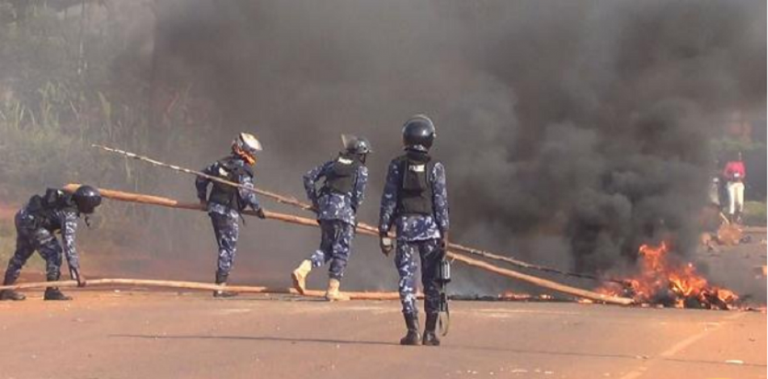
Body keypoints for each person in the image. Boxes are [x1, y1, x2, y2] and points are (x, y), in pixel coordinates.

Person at [378, 114, 449, 346]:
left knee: (407, 280)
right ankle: (430, 333)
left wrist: (384, 231)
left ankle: (412, 332)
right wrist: (445, 233)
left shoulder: (397, 165)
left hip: (405, 230)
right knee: (432, 281)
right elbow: (441, 202)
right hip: (431, 230)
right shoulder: (436, 167)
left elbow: (389, 200)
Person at [291, 135, 371, 301]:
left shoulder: (333, 164)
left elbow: (308, 177)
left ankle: (303, 269)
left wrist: (315, 202)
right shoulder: (361, 170)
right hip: (343, 213)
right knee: (342, 249)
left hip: (325, 210)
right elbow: (358, 196)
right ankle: (333, 290)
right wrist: (352, 212)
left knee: (326, 248)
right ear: (362, 154)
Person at [0, 185, 101, 301]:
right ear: (85, 204)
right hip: (33, 224)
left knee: (21, 254)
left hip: (23, 217)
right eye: (92, 206)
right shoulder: (69, 214)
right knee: (55, 253)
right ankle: (52, 290)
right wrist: (77, 272)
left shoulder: (66, 199)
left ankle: (6, 289)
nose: (92, 209)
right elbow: (69, 244)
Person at [196, 133, 266, 297]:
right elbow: (246, 193)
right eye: (252, 151)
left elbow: (201, 177)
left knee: (223, 246)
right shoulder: (244, 169)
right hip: (228, 212)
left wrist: (202, 199)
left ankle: (220, 285)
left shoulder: (220, 163)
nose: (253, 155)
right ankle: (220, 287)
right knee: (228, 249)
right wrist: (258, 209)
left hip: (214, 209)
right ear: (245, 150)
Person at [722, 151, 746, 224]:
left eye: (740, 156)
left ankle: (738, 216)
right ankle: (731, 217)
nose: (739, 157)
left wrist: (740, 177)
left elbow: (743, 173)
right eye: (738, 156)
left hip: (739, 184)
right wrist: (731, 177)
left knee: (740, 202)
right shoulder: (729, 164)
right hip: (731, 184)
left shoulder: (741, 164)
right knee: (732, 201)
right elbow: (725, 174)